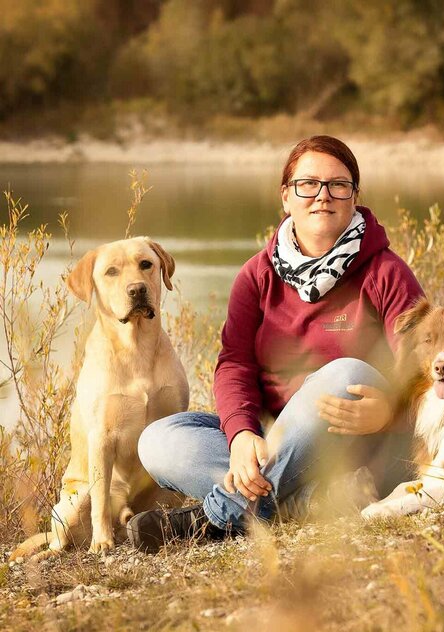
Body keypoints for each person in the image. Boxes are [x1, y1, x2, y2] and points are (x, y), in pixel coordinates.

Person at [127, 135, 425, 552]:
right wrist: (242, 435)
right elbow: (234, 365)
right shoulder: (257, 275)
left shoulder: (386, 272)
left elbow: (422, 365)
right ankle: (306, 500)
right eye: (308, 184)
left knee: (347, 374)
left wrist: (390, 410)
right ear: (286, 197)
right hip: (274, 433)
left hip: (357, 440)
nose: (323, 196)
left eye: (338, 185)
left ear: (354, 197)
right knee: (159, 439)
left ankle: (221, 517)